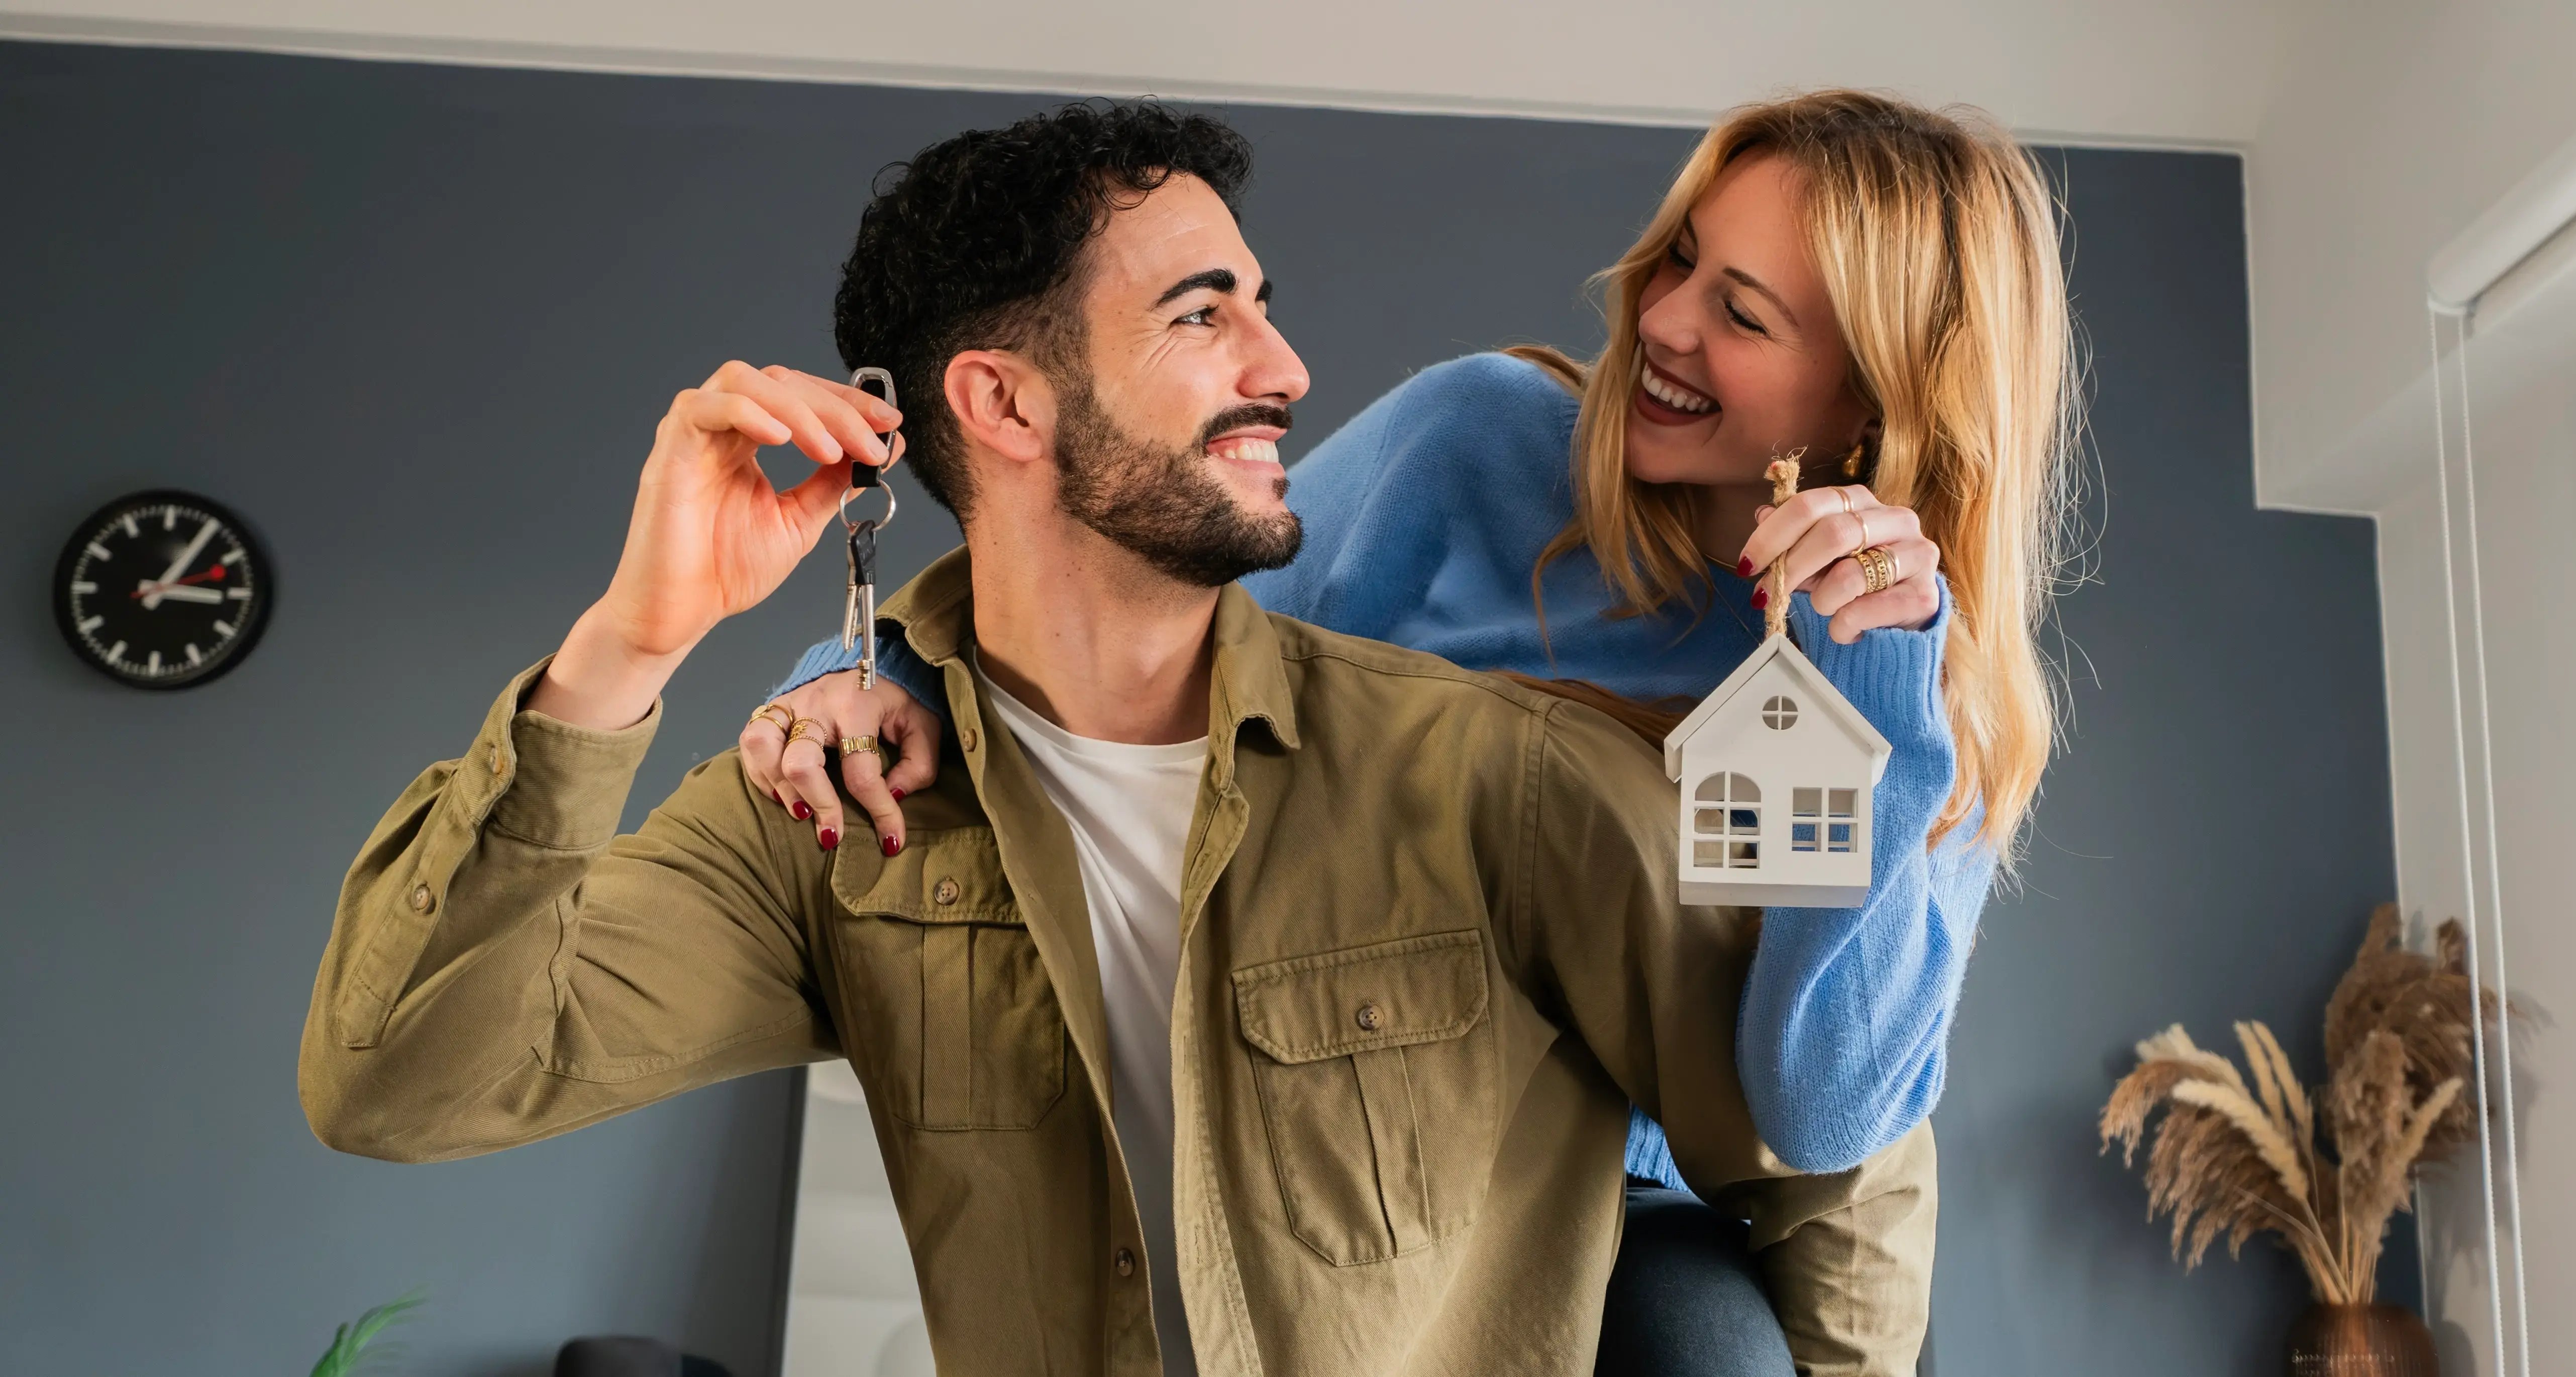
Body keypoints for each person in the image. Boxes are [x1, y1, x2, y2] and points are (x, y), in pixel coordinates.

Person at [297, 102, 1932, 1377]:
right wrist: (634, 641)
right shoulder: (836, 814)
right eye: (1205, 316)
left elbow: (1834, 1171)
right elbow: (400, 1079)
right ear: (1004, 405)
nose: (1287, 368)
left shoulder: (1502, 780)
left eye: (1264, 308)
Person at [747, 89, 2075, 1372]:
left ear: (1873, 400)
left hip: (1631, 1218)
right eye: (1679, 257)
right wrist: (873, 674)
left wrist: (1878, 682)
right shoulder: (1479, 445)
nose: (1662, 321)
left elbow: (1822, 1113)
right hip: (1342, 1133)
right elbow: (1146, 626)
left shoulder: (1917, 693)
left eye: (1740, 312)